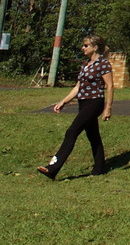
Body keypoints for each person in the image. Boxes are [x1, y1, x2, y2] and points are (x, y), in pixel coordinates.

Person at [38, 34, 113, 180]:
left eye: (86, 45)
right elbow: (78, 87)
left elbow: (110, 86)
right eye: (83, 45)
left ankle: (52, 168)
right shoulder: (85, 64)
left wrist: (108, 108)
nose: (83, 48)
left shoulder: (103, 64)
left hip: (95, 102)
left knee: (71, 132)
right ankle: (99, 168)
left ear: (95, 47)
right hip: (83, 102)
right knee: (93, 136)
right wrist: (63, 101)